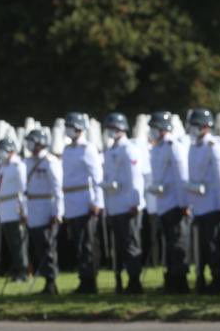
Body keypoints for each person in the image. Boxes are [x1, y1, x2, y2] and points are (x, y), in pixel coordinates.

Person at [186, 108, 220, 294]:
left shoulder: (213, 146)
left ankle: (217, 280)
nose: (192, 129)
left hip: (213, 205)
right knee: (201, 247)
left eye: (196, 125)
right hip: (198, 205)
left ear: (205, 126)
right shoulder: (193, 146)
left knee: (214, 246)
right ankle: (201, 278)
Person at [102, 112, 146, 294]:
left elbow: (135, 178)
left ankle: (134, 282)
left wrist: (135, 203)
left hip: (128, 205)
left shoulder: (129, 149)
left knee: (131, 245)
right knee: (119, 246)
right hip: (114, 205)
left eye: (114, 128)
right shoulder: (111, 150)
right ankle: (120, 280)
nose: (111, 132)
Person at [61, 112, 104, 294]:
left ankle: (90, 281)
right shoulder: (67, 150)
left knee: (87, 243)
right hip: (71, 202)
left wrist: (96, 201)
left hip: (85, 201)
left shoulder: (88, 148)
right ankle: (83, 278)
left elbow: (97, 177)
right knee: (78, 243)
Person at [149, 110, 190, 293]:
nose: (151, 131)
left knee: (177, 243)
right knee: (169, 243)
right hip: (163, 203)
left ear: (162, 128)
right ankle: (171, 279)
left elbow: (181, 177)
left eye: (154, 127)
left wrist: (183, 204)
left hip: (174, 202)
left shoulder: (173, 145)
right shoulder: (157, 147)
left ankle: (179, 281)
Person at [24, 129, 64, 294]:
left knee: (48, 247)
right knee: (39, 246)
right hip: (33, 208)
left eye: (32, 141)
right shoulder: (28, 161)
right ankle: (47, 280)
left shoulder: (49, 161)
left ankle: (51, 281)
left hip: (47, 206)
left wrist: (57, 212)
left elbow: (57, 188)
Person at [0, 137, 30, 282]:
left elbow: (23, 189)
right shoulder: (3, 166)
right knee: (11, 243)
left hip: (15, 207)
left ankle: (22, 271)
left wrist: (24, 210)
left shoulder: (18, 166)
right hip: (5, 209)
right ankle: (16, 269)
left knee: (19, 242)